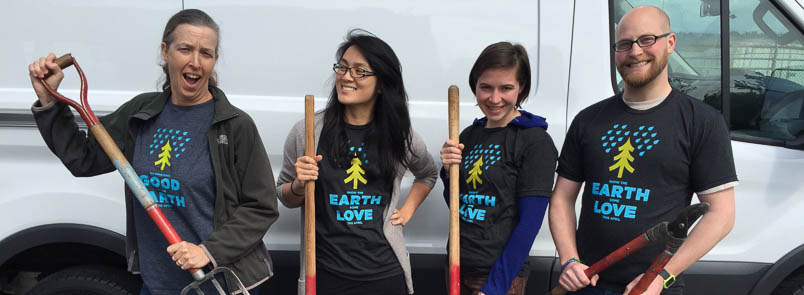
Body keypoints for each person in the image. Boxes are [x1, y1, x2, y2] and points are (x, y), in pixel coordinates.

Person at [28, 9, 278, 295]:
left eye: (206, 53)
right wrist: (49, 102)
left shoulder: (234, 126)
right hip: (159, 285)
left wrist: (208, 251)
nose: (195, 62)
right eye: (185, 49)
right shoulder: (141, 114)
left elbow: (261, 206)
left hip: (220, 285)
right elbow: (82, 158)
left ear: (214, 61)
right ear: (165, 52)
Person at [549, 5, 737, 295]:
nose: (635, 52)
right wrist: (569, 260)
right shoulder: (588, 120)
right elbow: (562, 198)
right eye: (624, 44)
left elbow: (721, 215)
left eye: (647, 39)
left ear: (670, 42)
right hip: (588, 282)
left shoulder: (701, 122)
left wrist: (661, 277)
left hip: (654, 288)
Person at [275, 29, 438, 295]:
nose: (346, 76)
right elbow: (284, 194)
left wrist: (406, 211)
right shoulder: (308, 130)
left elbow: (427, 174)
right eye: (343, 67)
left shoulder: (399, 135)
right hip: (325, 275)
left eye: (360, 71)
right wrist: (298, 186)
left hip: (385, 275)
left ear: (382, 84)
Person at [439, 42, 558, 295]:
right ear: (475, 86)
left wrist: (495, 287)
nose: (494, 99)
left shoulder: (534, 141)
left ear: (521, 87)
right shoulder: (469, 136)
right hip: (457, 266)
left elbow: (530, 224)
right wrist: (449, 172)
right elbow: (457, 205)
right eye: (485, 88)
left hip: (499, 277)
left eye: (506, 88)